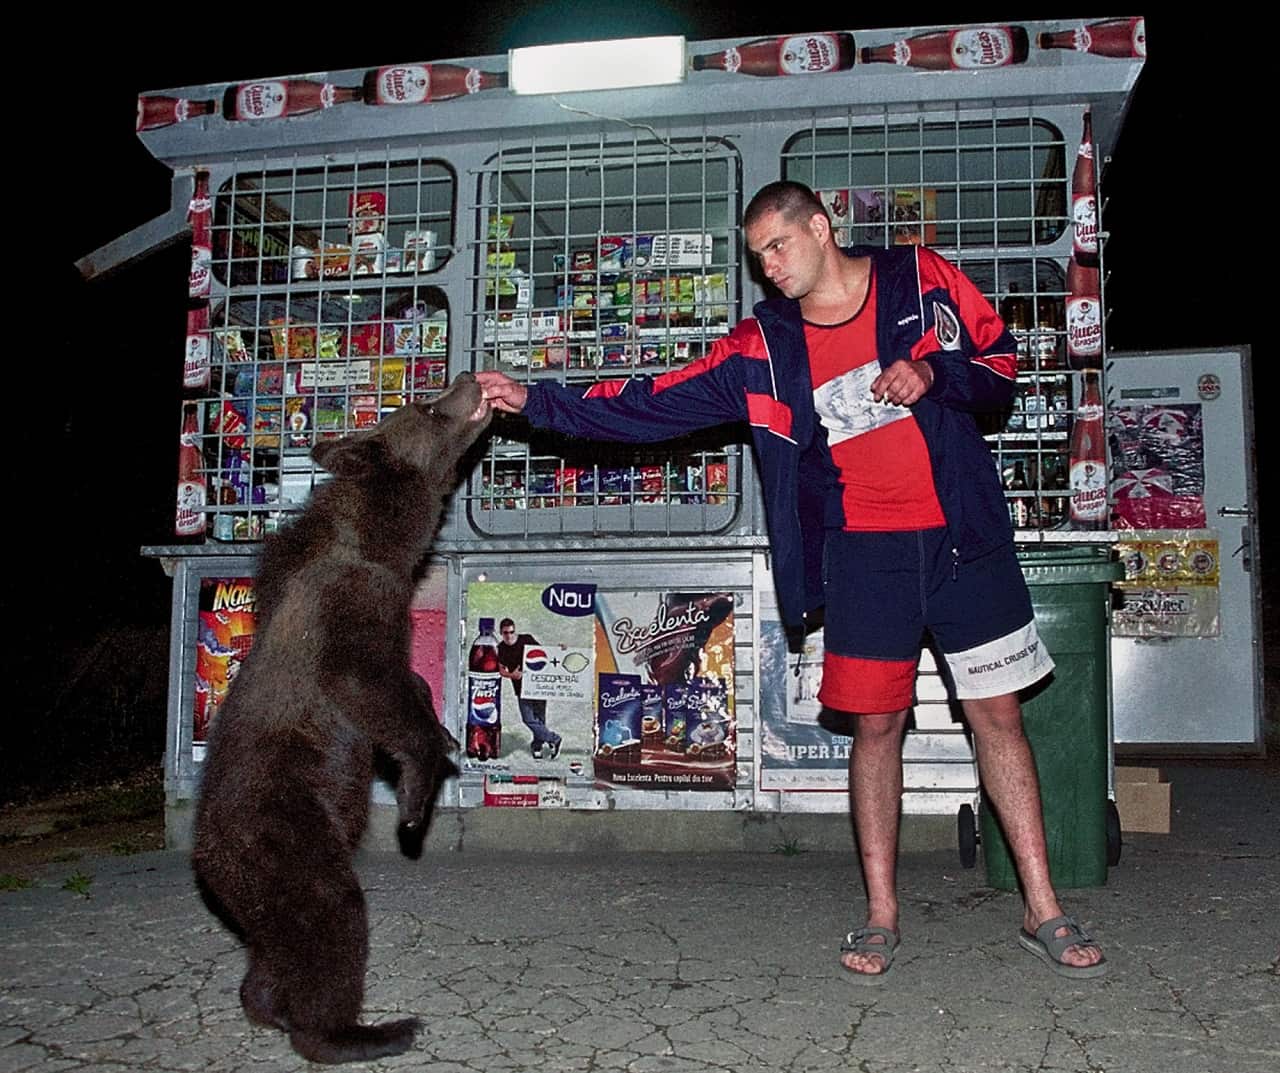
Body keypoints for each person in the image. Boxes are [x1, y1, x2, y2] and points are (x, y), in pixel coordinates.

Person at [477, 180, 1106, 982]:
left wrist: (932, 374)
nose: (768, 267)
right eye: (758, 256)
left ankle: (1041, 904)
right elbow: (649, 405)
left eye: (779, 246)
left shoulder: (920, 278)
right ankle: (881, 912)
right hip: (863, 558)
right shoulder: (761, 345)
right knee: (876, 729)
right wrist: (536, 400)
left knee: (999, 717)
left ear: (820, 226)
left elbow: (998, 363)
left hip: (962, 543)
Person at [496, 617, 562, 760]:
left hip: (537, 685)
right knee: (528, 718)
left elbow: (544, 653)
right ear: (501, 633)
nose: (509, 635)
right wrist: (511, 675)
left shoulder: (526, 639)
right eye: (506, 633)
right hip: (521, 688)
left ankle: (537, 746)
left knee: (539, 718)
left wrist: (560, 650)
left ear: (515, 630)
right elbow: (500, 670)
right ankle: (554, 739)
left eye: (511, 632)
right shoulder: (501, 648)